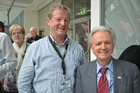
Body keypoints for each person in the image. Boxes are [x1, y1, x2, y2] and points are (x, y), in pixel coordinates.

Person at [18, 3, 86, 93]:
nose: (63, 23)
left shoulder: (78, 49)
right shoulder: (35, 48)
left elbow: (82, 80)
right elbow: (24, 83)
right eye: (58, 19)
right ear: (48, 21)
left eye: (66, 20)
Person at [75, 26, 140, 93]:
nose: (103, 47)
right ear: (92, 48)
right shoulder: (82, 71)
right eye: (98, 44)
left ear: (113, 45)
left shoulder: (131, 70)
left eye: (107, 43)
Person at [3, 24, 29, 93]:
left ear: (23, 34)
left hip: (27, 84)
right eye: (13, 33)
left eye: (19, 33)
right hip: (10, 85)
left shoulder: (31, 48)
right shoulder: (7, 49)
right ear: (11, 36)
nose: (16, 35)